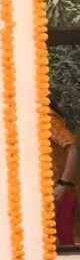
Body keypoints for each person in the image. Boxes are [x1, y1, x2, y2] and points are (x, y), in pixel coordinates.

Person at [50, 105, 80, 246]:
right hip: (49, 195)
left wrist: (63, 183)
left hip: (60, 193)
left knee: (66, 247)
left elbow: (73, 147)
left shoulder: (46, 117)